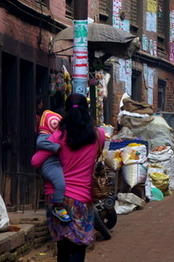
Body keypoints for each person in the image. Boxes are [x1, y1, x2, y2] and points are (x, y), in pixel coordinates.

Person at [32, 92, 106, 262]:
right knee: (79, 245)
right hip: (82, 197)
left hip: (57, 199)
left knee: (63, 246)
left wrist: (55, 149)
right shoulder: (98, 134)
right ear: (87, 110)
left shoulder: (59, 136)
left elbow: (36, 161)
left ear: (65, 112)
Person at [35, 108, 72, 222]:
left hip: (57, 164)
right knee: (60, 184)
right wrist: (57, 147)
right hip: (50, 165)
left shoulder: (57, 136)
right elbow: (40, 142)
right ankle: (58, 206)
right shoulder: (45, 137)